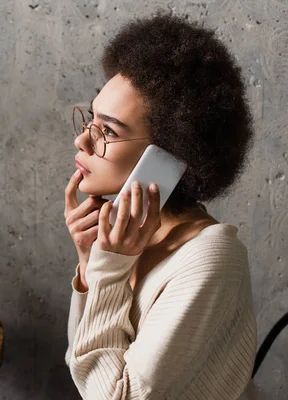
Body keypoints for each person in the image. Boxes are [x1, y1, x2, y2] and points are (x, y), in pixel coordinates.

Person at [64, 13, 258, 399]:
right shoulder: (124, 237)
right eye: (91, 120)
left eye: (108, 131)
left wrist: (107, 268)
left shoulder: (211, 257)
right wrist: (90, 263)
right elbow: (82, 367)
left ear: (168, 157)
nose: (81, 143)